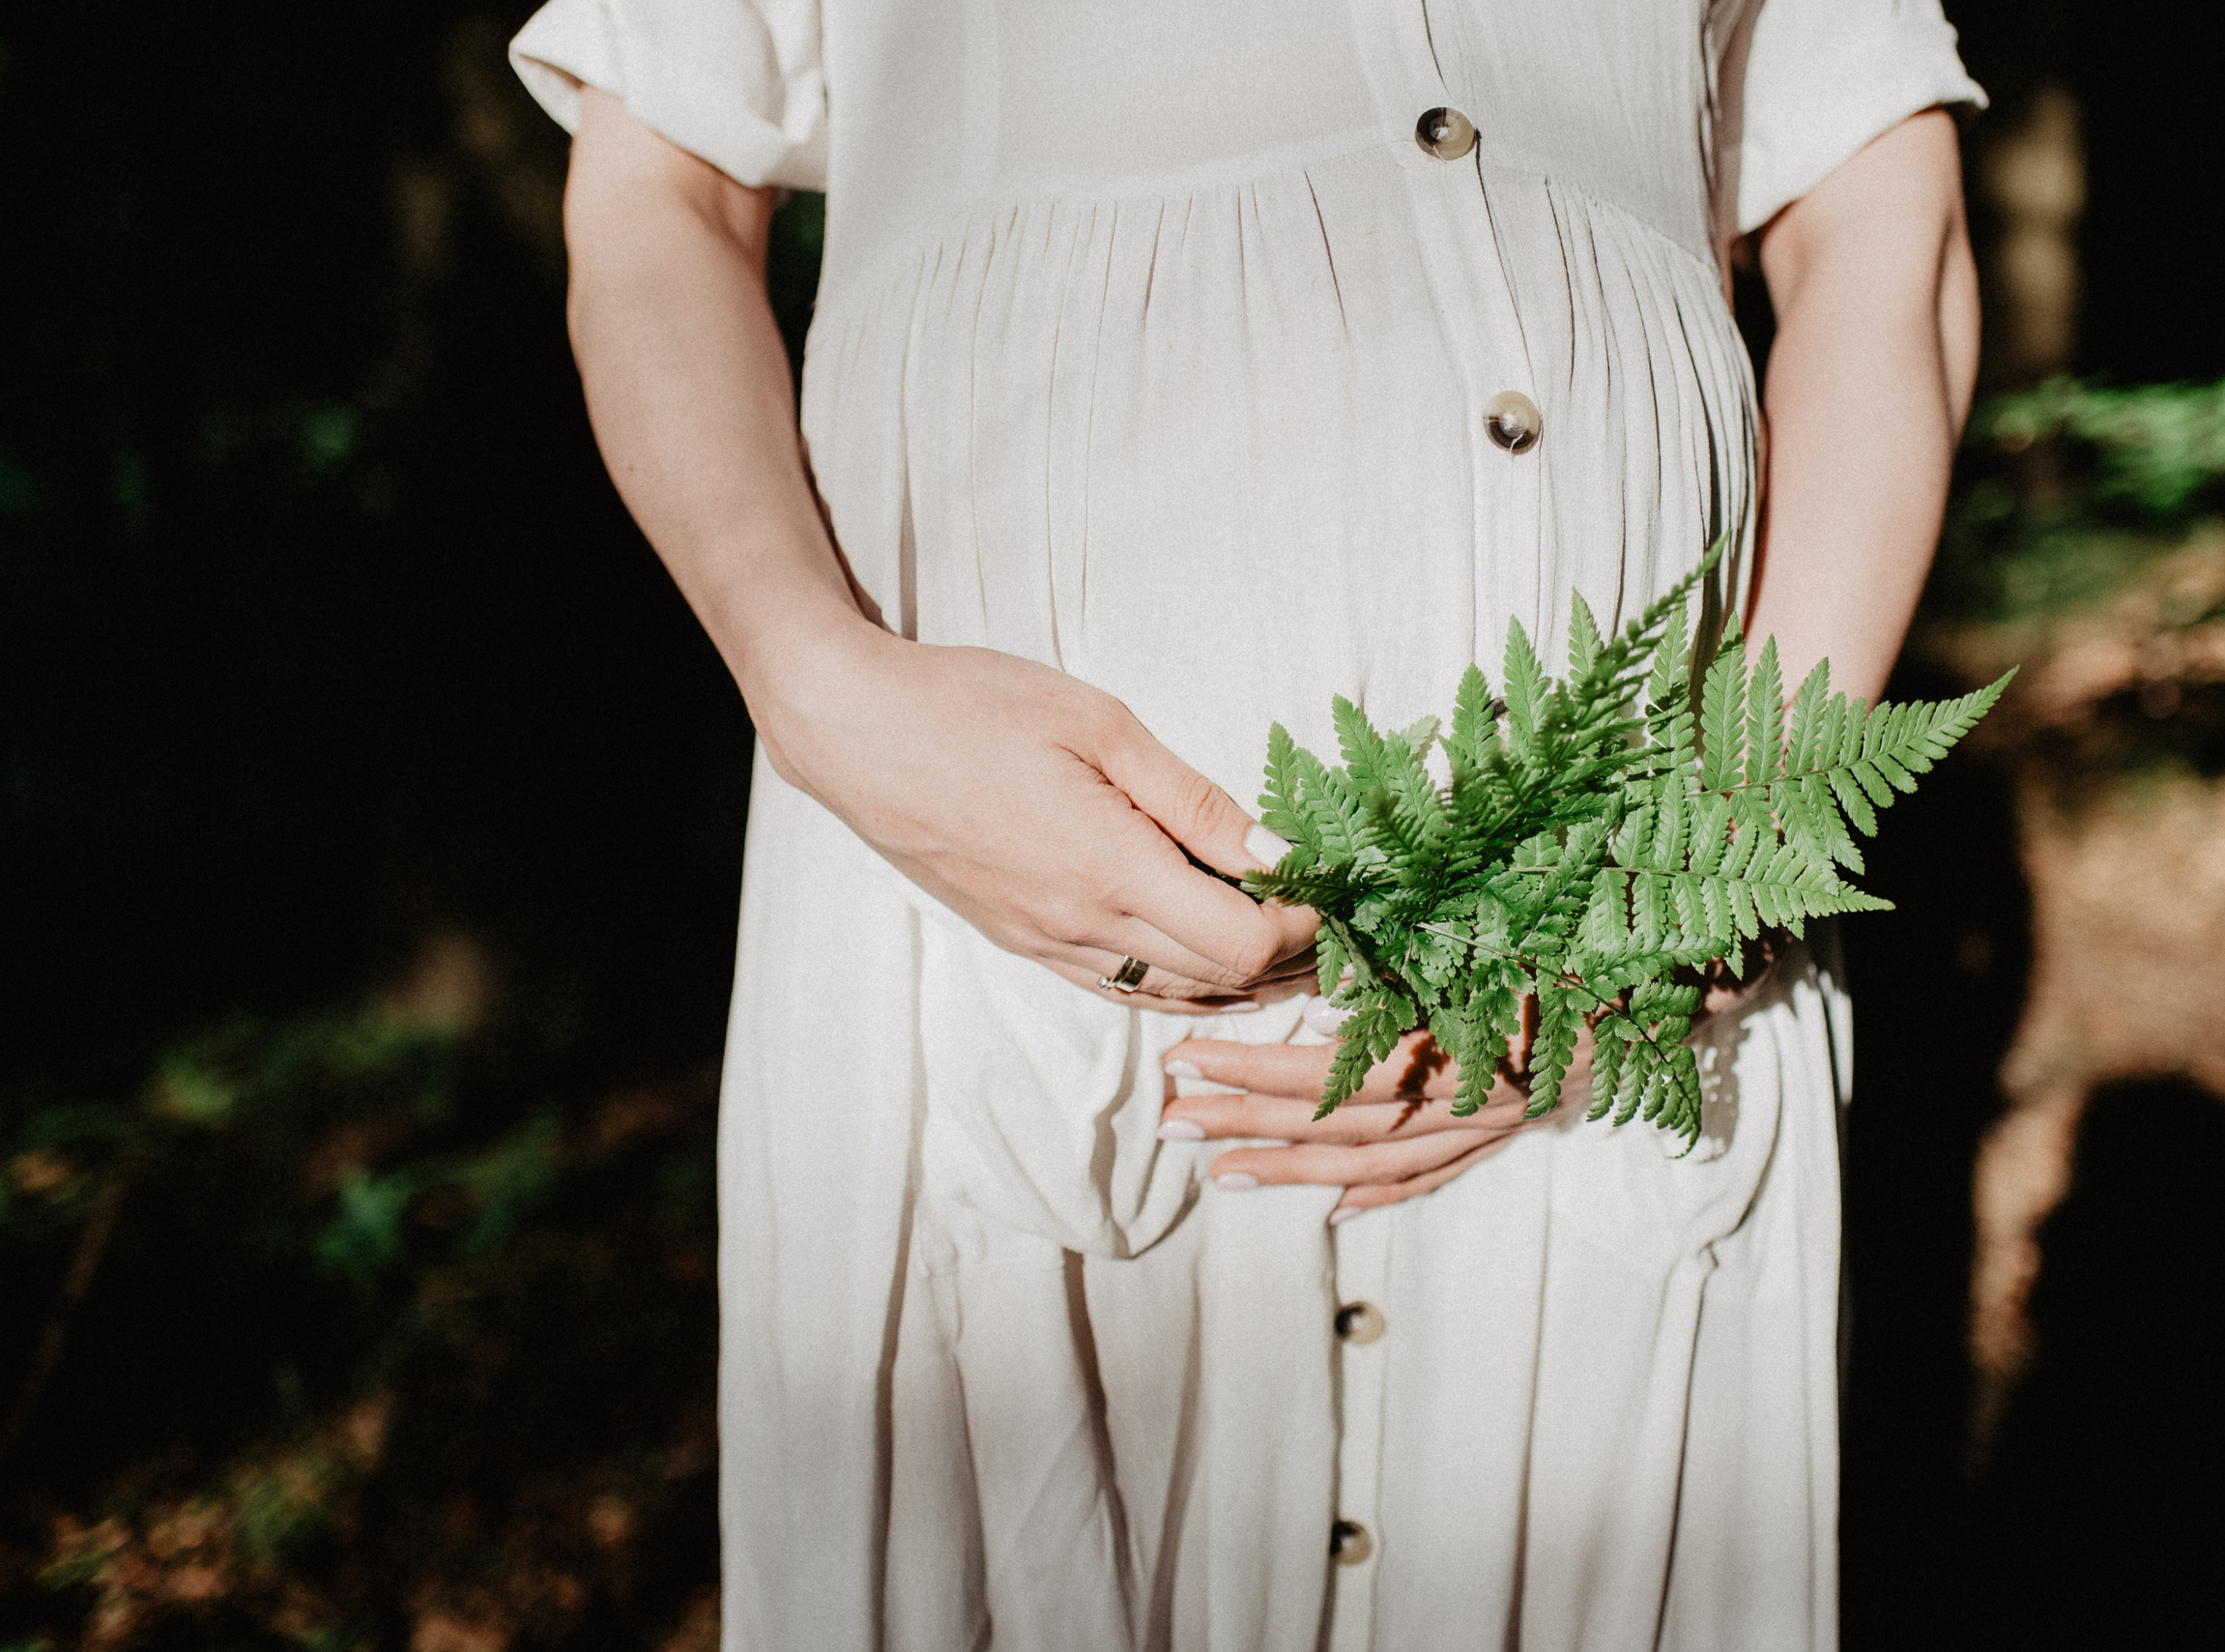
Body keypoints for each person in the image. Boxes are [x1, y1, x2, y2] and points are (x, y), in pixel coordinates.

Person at [512, 1, 1980, 1645]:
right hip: (1012, 1009)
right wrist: (811, 678)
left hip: (1619, 1027)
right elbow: (661, 179)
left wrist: (1725, 846)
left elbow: (1878, 199)